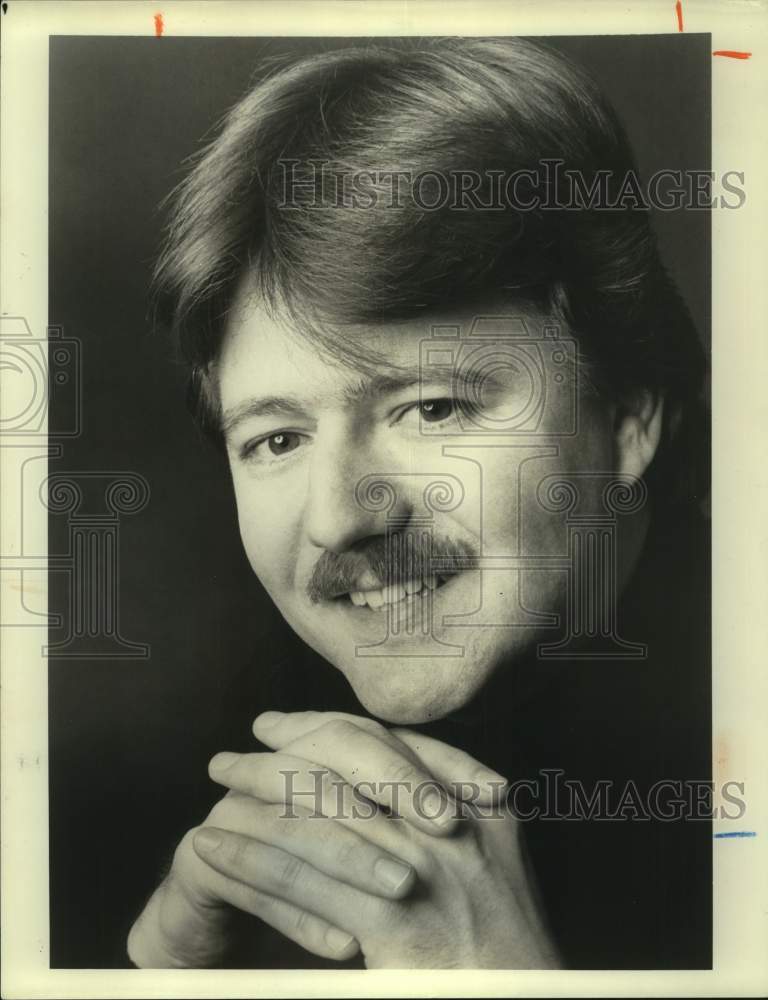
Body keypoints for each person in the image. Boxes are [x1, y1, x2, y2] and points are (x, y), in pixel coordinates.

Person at [127, 37, 710, 969]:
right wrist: (160, 974)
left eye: (431, 406)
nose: (339, 519)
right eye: (275, 438)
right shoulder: (240, 767)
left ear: (629, 417)